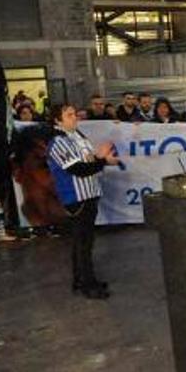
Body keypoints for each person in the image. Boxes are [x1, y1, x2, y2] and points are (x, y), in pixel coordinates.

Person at [46, 103, 118, 298]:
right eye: (69, 115)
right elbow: (78, 169)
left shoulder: (78, 136)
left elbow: (88, 161)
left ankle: (82, 279)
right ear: (57, 120)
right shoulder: (58, 142)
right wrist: (103, 161)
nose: (74, 118)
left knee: (85, 241)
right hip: (76, 197)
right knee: (83, 242)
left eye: (74, 114)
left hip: (89, 194)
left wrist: (99, 157)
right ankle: (88, 284)